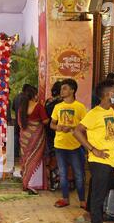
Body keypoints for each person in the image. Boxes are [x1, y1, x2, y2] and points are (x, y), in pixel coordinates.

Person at [74, 79, 114, 223]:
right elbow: (77, 131)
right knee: (98, 198)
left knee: (101, 193)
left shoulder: (111, 111)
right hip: (99, 161)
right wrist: (93, 149)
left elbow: (112, 129)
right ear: (108, 94)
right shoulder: (94, 113)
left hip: (111, 159)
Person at [50, 79, 87, 208]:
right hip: (60, 145)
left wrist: (72, 128)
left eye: (65, 88)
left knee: (78, 174)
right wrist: (59, 127)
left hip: (75, 146)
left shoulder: (80, 107)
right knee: (63, 174)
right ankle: (65, 198)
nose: (61, 90)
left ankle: (82, 201)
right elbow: (52, 124)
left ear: (72, 90)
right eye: (61, 88)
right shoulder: (57, 107)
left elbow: (85, 126)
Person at [19, 86, 50, 194]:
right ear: (33, 95)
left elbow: (20, 124)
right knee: (35, 158)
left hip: (24, 138)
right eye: (36, 94)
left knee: (26, 158)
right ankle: (30, 183)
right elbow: (45, 121)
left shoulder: (22, 107)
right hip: (36, 138)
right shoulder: (39, 107)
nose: (37, 96)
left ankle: (25, 181)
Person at [45, 81, 63, 191]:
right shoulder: (60, 104)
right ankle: (60, 180)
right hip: (60, 133)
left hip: (49, 132)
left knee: (52, 157)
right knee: (60, 158)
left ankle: (52, 181)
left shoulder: (48, 102)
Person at [13, 84, 32, 159]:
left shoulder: (16, 97)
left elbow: (13, 108)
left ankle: (15, 154)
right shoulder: (26, 98)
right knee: (24, 138)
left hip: (17, 120)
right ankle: (24, 155)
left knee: (16, 136)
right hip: (24, 120)